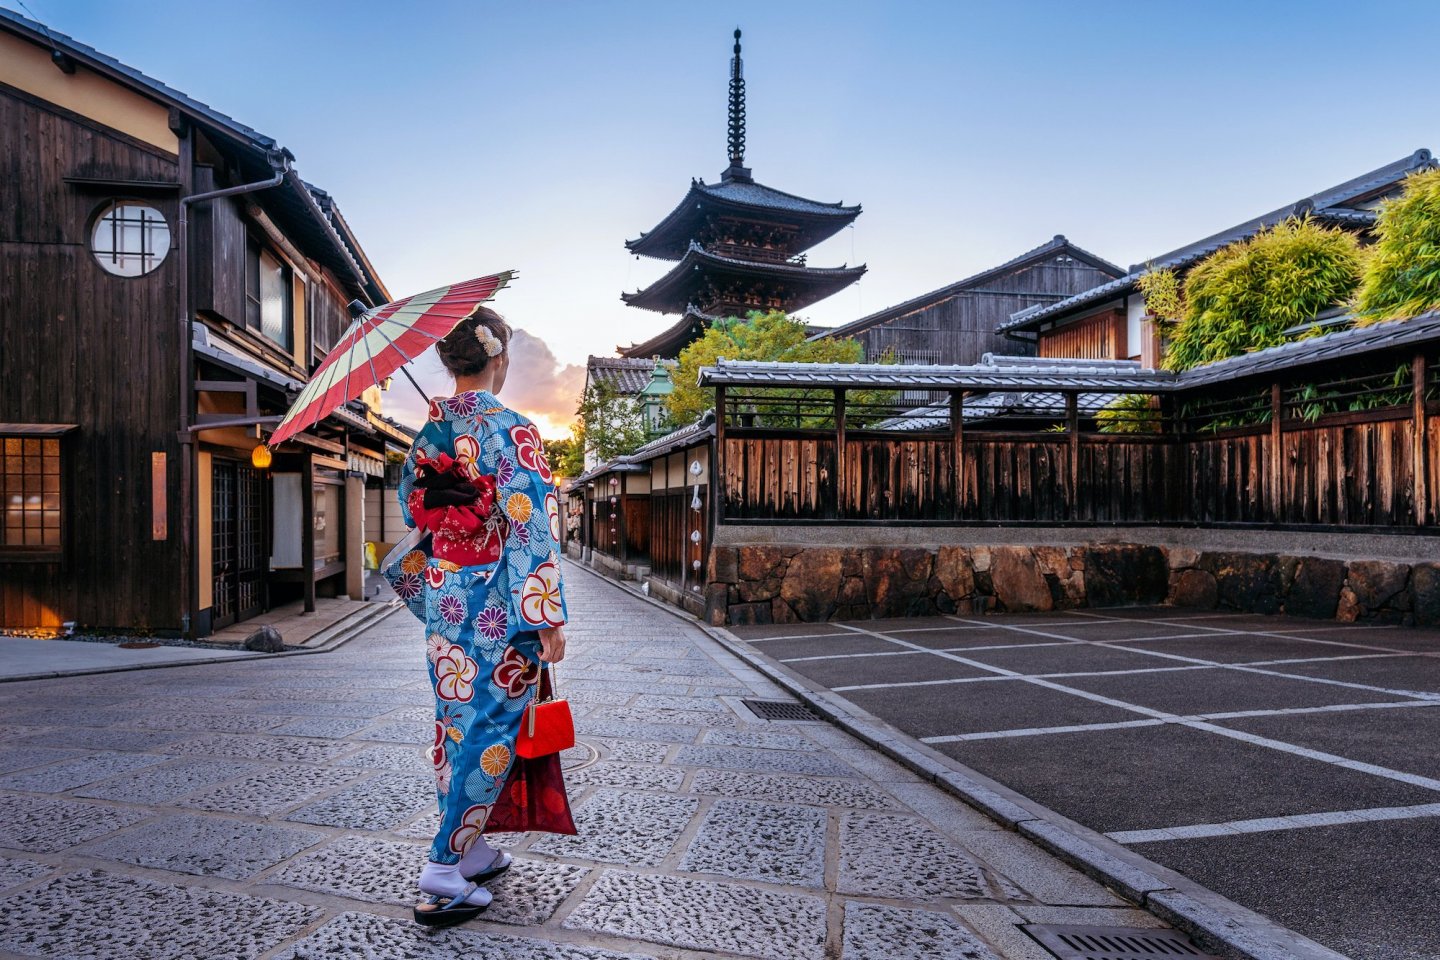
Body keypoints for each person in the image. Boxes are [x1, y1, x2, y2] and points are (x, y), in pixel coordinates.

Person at [391, 305, 568, 927]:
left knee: (454, 723)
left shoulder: (427, 432)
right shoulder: (513, 431)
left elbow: (416, 512)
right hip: (497, 604)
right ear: (498, 357)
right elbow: (528, 525)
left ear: (448, 362)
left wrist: (454, 486)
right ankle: (443, 866)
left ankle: (474, 850)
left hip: (447, 597)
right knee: (493, 730)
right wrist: (545, 614)